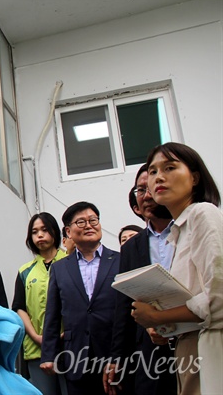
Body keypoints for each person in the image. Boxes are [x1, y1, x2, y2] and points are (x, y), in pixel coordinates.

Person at [130, 143, 222, 395]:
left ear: (194, 177)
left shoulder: (203, 214)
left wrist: (157, 317)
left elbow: (218, 301)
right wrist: (167, 329)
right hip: (187, 351)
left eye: (170, 167)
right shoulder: (178, 233)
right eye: (153, 171)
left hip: (211, 351)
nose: (158, 177)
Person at [105, 164, 176, 395]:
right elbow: (124, 306)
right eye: (139, 190)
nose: (146, 195)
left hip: (197, 342)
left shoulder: (193, 231)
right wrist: (117, 359)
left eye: (150, 188)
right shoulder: (132, 248)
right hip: (150, 351)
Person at [40, 201, 120, 395]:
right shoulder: (60, 268)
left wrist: (120, 355)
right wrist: (48, 354)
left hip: (114, 354)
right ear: (68, 231)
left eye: (93, 220)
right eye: (81, 222)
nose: (89, 225)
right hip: (75, 356)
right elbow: (52, 313)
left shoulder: (120, 260)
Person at [12, 213, 68, 395]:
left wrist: (65, 332)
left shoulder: (70, 262)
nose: (40, 235)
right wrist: (36, 336)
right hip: (37, 349)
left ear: (55, 232)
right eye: (35, 232)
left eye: (45, 230)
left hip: (69, 345)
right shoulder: (25, 271)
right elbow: (19, 307)